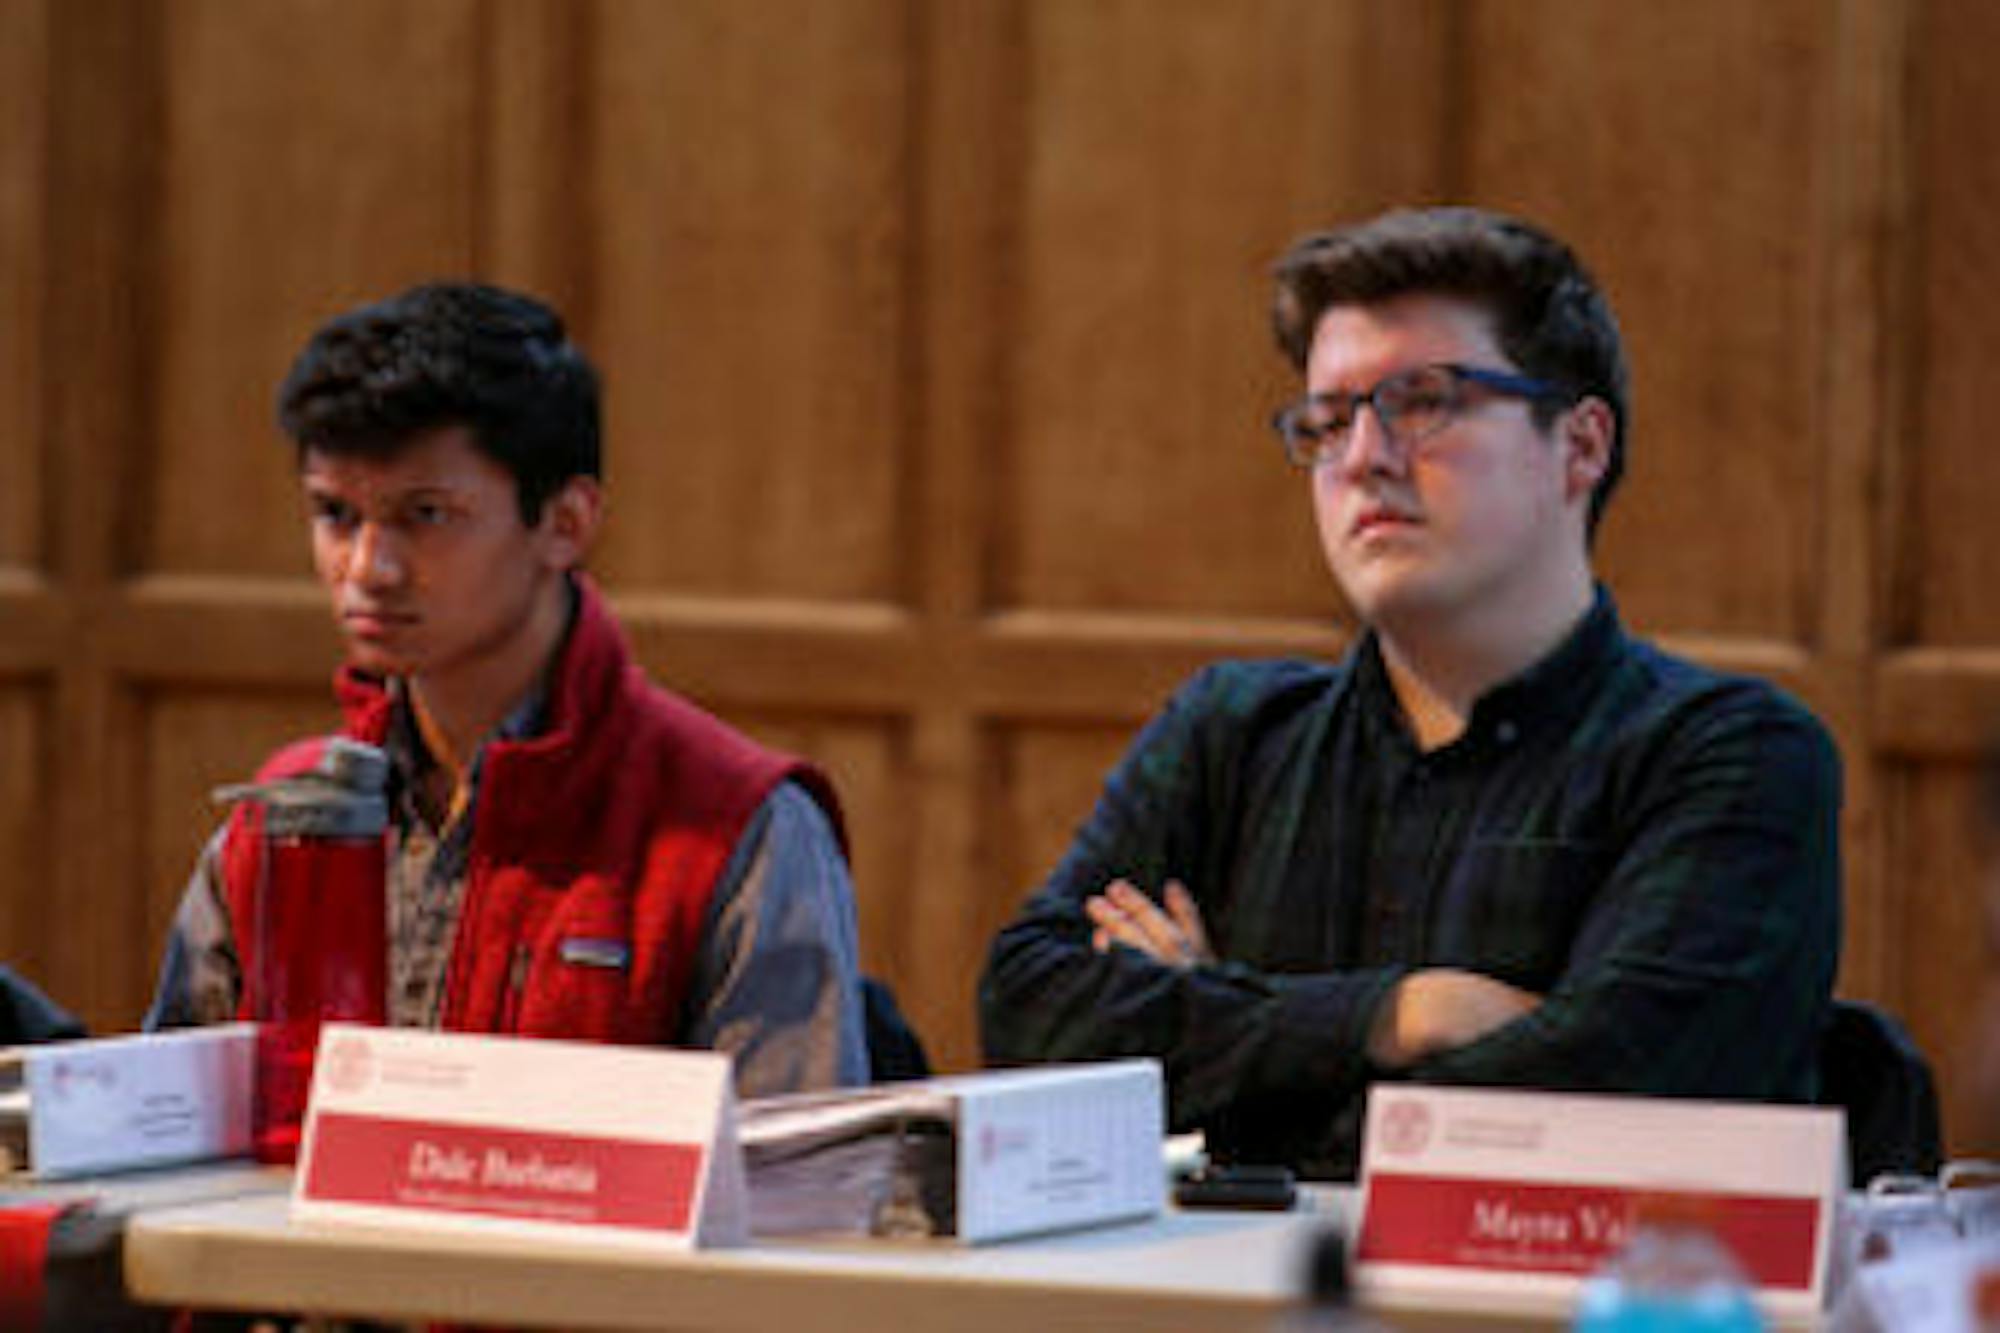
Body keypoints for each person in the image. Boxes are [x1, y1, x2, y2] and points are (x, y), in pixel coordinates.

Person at [978, 206, 1842, 1178]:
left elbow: (1618, 1105)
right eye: (1327, 419)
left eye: (1423, 401)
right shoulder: (1229, 730)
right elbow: (1027, 1015)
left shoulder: (1729, 755)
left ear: (1579, 446)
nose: (1362, 458)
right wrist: (1401, 1012)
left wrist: (1222, 1051)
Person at [147, 281, 868, 1095]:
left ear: (565, 524)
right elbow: (172, 1150)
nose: (367, 569)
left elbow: (797, 1189)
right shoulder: (277, 821)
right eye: (335, 515)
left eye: (426, 514)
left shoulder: (736, 824)